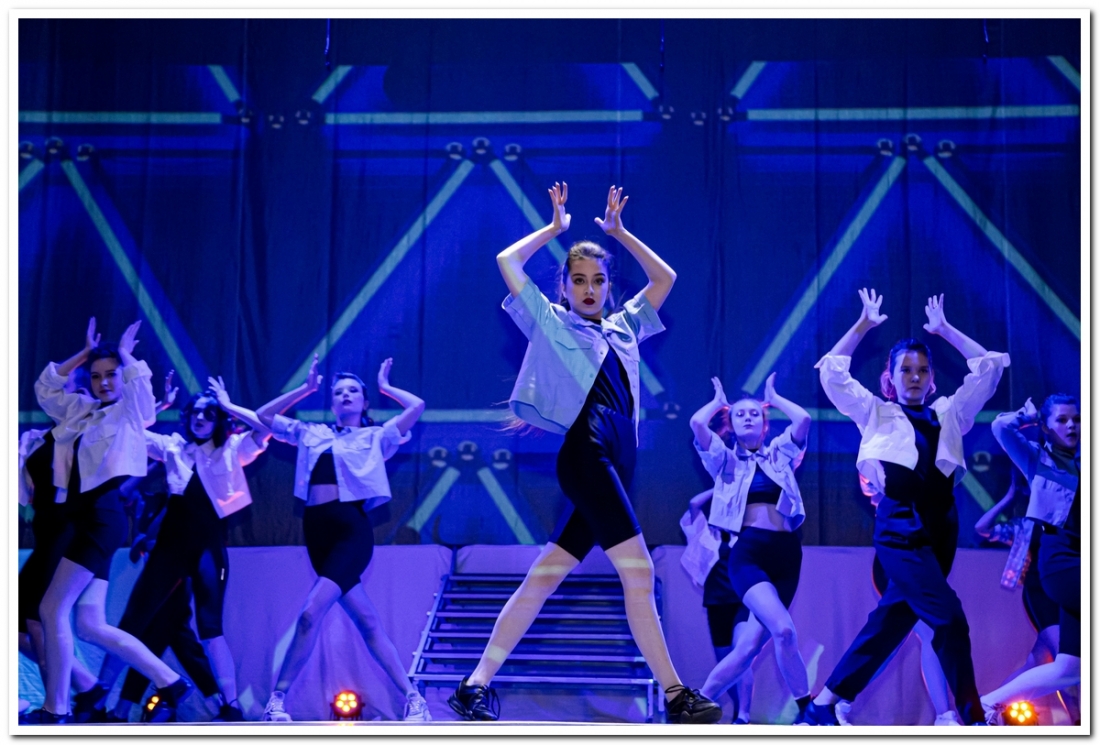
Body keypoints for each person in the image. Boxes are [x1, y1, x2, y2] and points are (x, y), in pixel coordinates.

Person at [447, 182, 720, 724]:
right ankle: (675, 694)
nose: (589, 289)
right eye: (579, 280)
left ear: (609, 286)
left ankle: (473, 685)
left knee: (545, 576)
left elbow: (665, 278)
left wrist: (621, 233)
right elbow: (506, 261)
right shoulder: (551, 321)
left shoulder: (625, 326)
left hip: (615, 464)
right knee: (638, 572)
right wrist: (553, 229)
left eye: (598, 280)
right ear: (565, 286)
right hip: (586, 456)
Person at [802, 290, 1008, 726]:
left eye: (922, 370)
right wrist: (862, 326)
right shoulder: (875, 413)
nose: (914, 377)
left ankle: (823, 704)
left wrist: (945, 331)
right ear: (890, 378)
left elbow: (989, 368)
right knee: (949, 619)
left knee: (893, 619)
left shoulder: (950, 413)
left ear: (932, 379)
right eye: (905, 370)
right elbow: (833, 374)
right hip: (899, 526)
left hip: (942, 527)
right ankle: (973, 719)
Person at [27, 319, 193, 724]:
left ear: (122, 377)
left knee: (51, 609)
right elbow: (46, 388)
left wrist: (125, 355)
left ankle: (56, 708)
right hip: (85, 520)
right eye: (96, 376)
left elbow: (145, 401)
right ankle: (169, 680)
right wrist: (84, 354)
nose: (103, 382)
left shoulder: (130, 413)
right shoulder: (81, 411)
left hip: (101, 518)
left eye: (110, 375)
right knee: (89, 624)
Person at [255, 356, 430, 722]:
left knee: (309, 614)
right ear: (332, 403)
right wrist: (305, 388)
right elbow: (264, 415)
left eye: (353, 391)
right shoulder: (312, 433)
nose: (345, 396)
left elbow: (416, 406)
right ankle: (415, 699)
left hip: (351, 532)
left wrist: (385, 386)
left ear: (364, 403)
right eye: (338, 392)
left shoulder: (376, 436)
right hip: (316, 533)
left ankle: (277, 701)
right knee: (368, 623)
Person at [97, 376, 270, 722]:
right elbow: (127, 431)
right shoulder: (174, 447)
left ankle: (230, 705)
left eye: (209, 413)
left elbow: (265, 428)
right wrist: (154, 406)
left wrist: (228, 404)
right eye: (195, 413)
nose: (200, 418)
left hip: (209, 549)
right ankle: (97, 700)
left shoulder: (232, 450)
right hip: (170, 549)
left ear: (219, 420)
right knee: (133, 622)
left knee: (210, 627)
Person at [689, 374, 813, 723]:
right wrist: (718, 402)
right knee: (784, 630)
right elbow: (697, 424)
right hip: (750, 555)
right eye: (740, 414)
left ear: (764, 423)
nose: (747, 418)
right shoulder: (724, 461)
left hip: (787, 554)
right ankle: (810, 712)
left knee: (746, 650)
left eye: (755, 413)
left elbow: (803, 419)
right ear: (730, 424)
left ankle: (691, 707)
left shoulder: (780, 455)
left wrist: (773, 396)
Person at [980, 394, 1081, 725]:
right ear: (1046, 427)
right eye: (1062, 420)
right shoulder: (1038, 460)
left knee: (1070, 669)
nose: (1071, 426)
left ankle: (987, 705)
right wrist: (1031, 416)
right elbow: (1000, 427)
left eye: (1077, 419)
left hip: (1081, 562)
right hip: (1062, 561)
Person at [679, 488, 754, 724]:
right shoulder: (704, 531)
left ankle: (744, 715)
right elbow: (693, 503)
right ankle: (738, 711)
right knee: (726, 663)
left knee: (741, 653)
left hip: (743, 601)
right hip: (716, 603)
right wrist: (720, 486)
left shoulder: (746, 532)